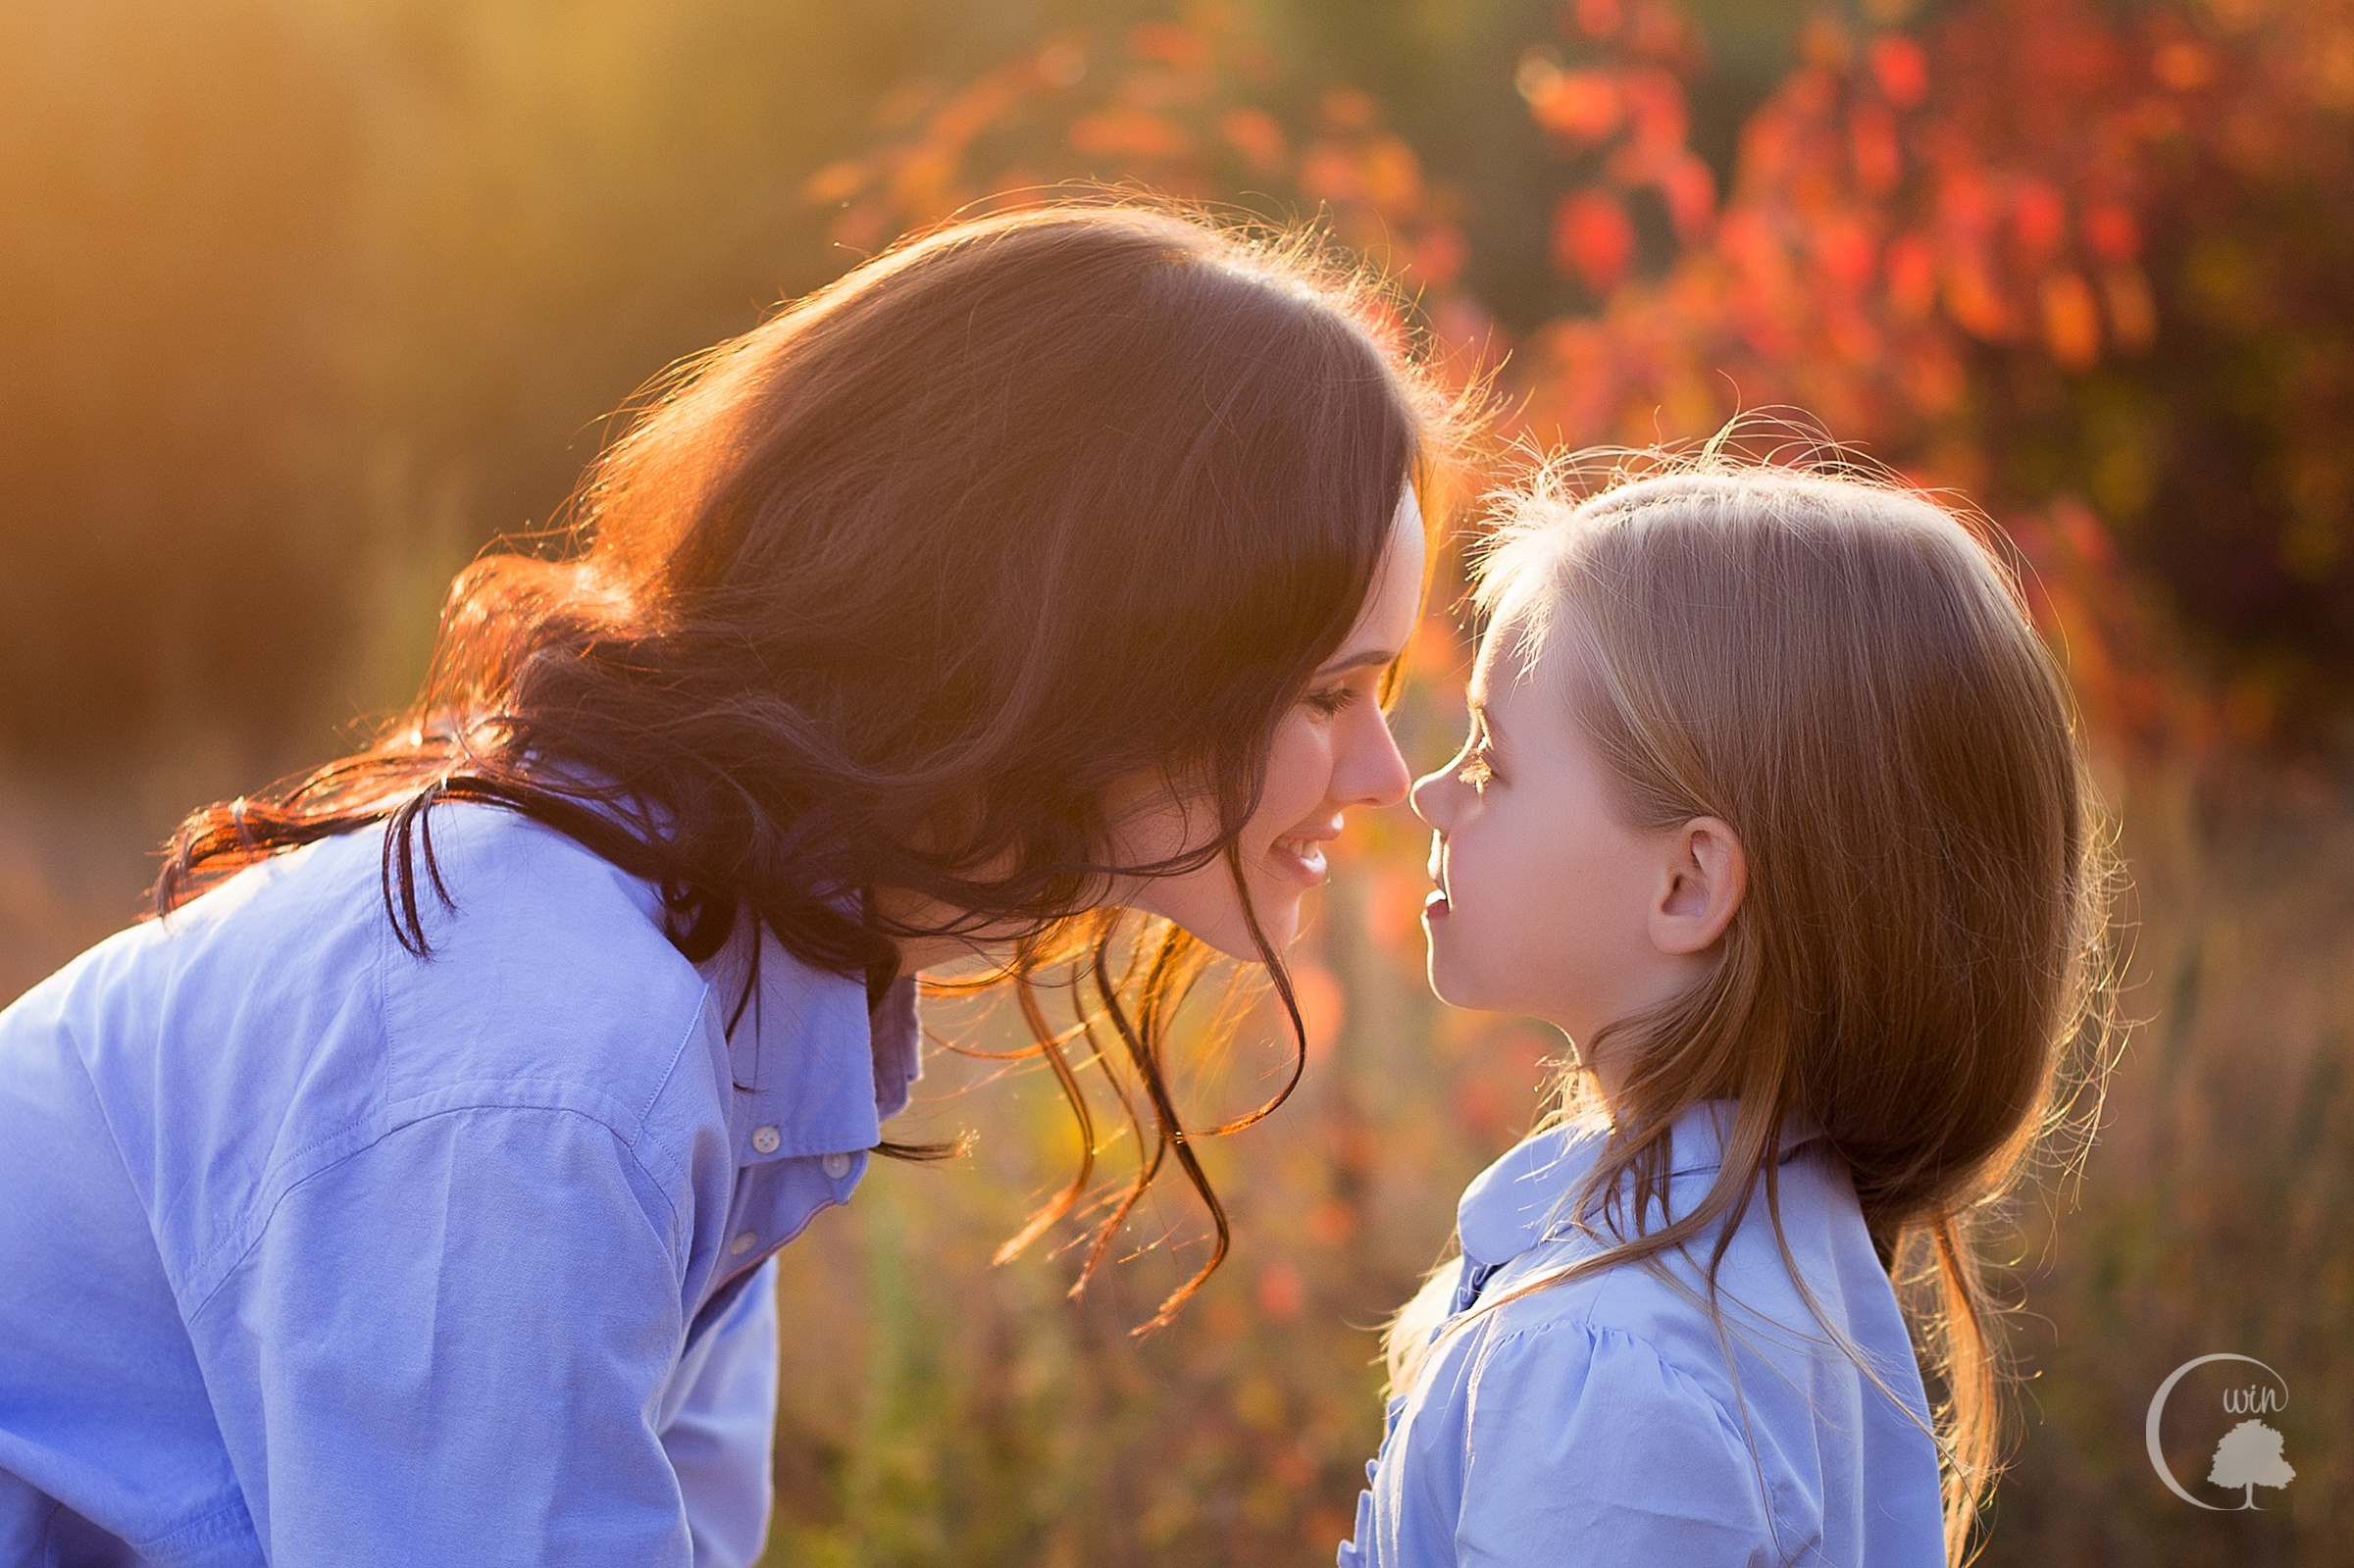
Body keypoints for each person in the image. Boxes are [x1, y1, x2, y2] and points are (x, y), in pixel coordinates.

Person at [0, 203, 1450, 1568]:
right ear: (1098, 653)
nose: (1386, 771)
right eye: (1328, 692)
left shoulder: (733, 973)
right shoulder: (560, 1055)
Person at [1342, 459, 2114, 1567]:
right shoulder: (1796, 1245)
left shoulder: (1607, 1367)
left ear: (1688, 887)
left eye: (1493, 763)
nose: (1431, 794)